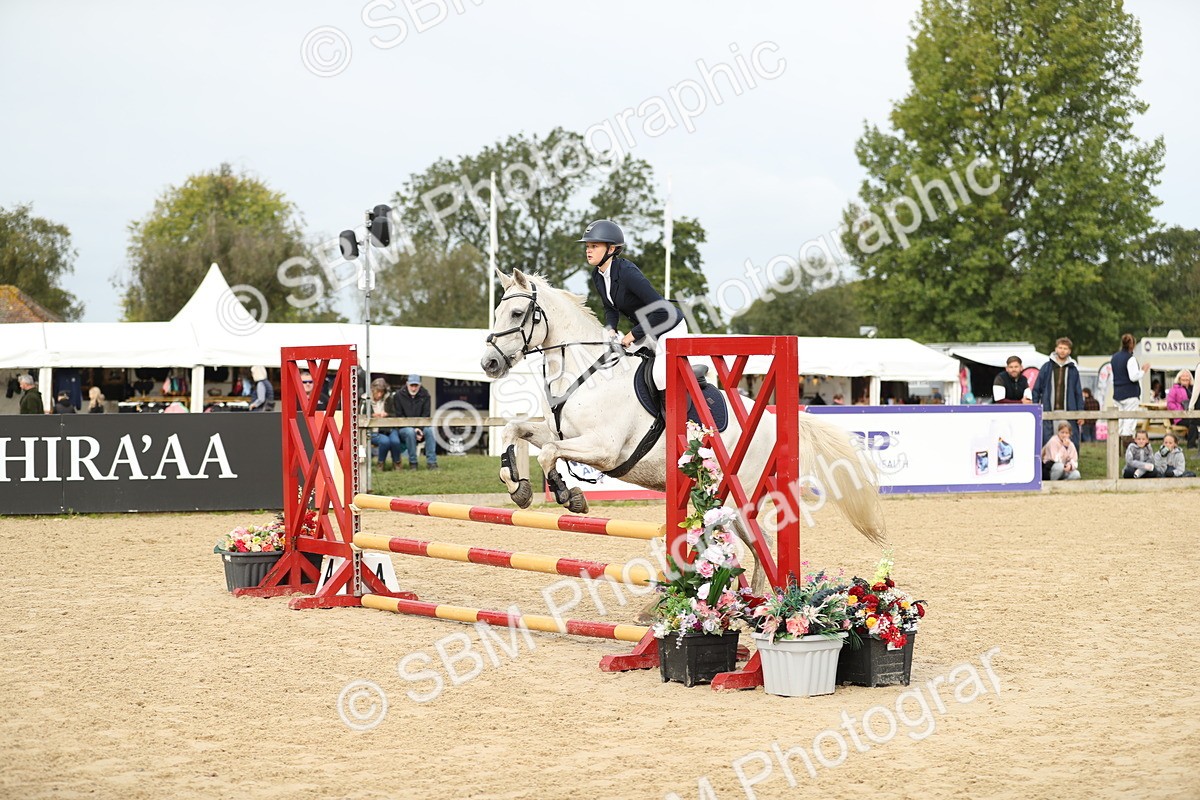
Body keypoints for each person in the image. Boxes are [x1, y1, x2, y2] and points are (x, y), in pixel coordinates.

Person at [582, 219, 687, 392]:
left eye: (594, 246)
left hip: (669, 328)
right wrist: (610, 329)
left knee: (660, 377)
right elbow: (610, 308)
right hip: (647, 331)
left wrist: (632, 335)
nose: (588, 250)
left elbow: (662, 311)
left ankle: (671, 417)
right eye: (587, 246)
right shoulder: (598, 274)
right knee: (617, 365)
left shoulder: (627, 272)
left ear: (611, 249)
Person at [1032, 337, 1084, 453]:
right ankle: (1047, 467)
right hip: (1049, 410)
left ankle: (1070, 465)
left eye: (1065, 348)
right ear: (1056, 349)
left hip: (1068, 411)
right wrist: (1034, 407)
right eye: (1060, 348)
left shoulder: (1073, 370)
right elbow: (1036, 389)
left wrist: (1080, 412)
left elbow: (1078, 392)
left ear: (1069, 351)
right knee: (1048, 439)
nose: (1062, 350)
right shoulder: (1046, 367)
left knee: (1069, 439)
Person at [1109, 333, 1150, 450]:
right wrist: (1142, 371)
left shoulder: (1114, 357)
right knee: (1129, 420)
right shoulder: (1130, 358)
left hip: (1117, 393)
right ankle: (1127, 447)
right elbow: (1133, 377)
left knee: (1120, 421)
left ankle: (1117, 449)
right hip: (1130, 393)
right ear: (1132, 345)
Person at [395, 375, 438, 470]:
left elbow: (426, 415)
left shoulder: (425, 395)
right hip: (404, 428)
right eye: (411, 385)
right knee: (410, 432)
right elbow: (399, 415)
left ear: (420, 385)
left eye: (416, 385)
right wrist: (414, 429)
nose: (414, 388)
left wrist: (419, 429)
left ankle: (432, 462)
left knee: (430, 430)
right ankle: (413, 463)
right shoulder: (398, 395)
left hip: (421, 426)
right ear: (407, 384)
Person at [369, 378, 406, 471]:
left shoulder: (389, 399)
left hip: (388, 428)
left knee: (395, 441)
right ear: (373, 390)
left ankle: (397, 463)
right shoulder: (365, 400)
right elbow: (360, 415)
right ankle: (380, 463)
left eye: (381, 392)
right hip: (373, 430)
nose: (379, 394)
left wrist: (387, 414)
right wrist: (372, 415)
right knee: (385, 442)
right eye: (377, 392)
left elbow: (395, 414)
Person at [1165, 369, 1197, 448]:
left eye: (1187, 376)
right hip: (1180, 417)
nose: (1185, 378)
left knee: (1195, 421)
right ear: (1179, 378)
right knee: (1193, 423)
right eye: (1183, 376)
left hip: (1193, 414)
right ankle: (1191, 445)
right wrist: (1180, 410)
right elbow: (1170, 404)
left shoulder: (1194, 389)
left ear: (1190, 379)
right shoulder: (1174, 389)